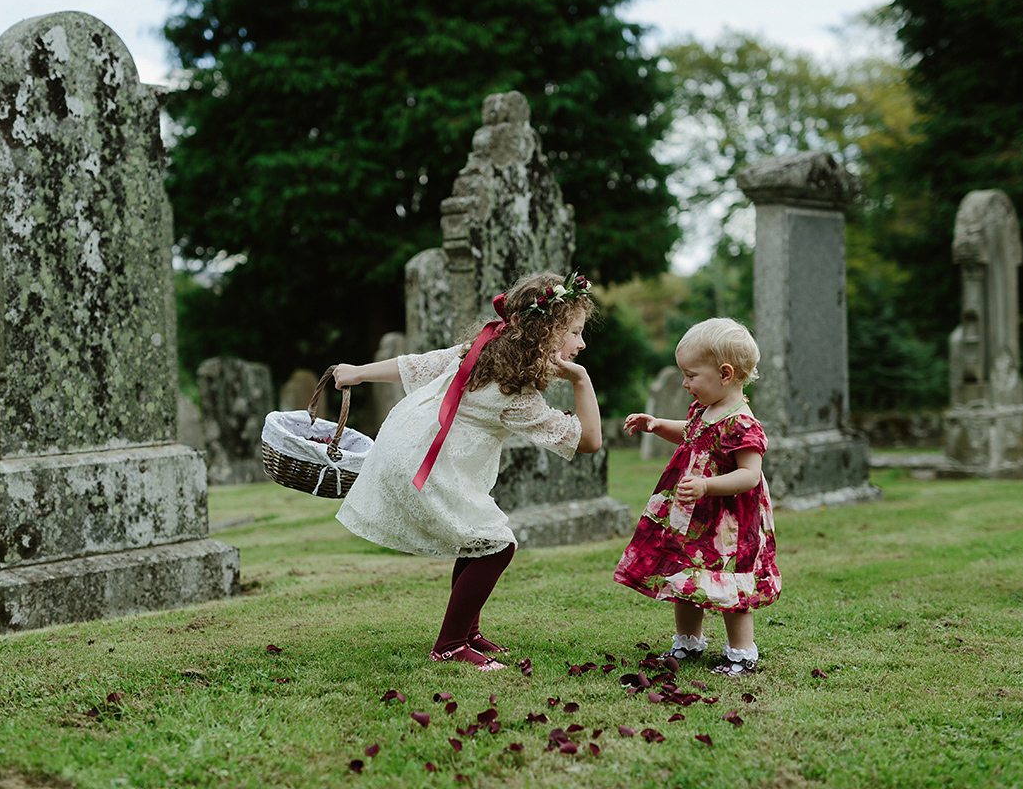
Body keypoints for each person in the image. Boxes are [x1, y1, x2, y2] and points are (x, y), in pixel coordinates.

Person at [332, 271, 602, 672]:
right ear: (545, 330)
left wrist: (358, 371)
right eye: (576, 332)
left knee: (477, 539)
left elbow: (418, 365)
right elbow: (589, 440)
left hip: (409, 449)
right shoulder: (516, 395)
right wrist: (582, 380)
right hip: (430, 465)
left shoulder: (483, 348)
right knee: (498, 543)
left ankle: (467, 632)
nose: (581, 343)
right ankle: (451, 643)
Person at [614, 317, 780, 676]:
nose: (686, 384)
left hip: (727, 525)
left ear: (724, 373)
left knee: (729, 584)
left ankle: (741, 653)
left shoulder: (742, 423)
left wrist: (707, 486)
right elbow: (692, 436)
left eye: (691, 376)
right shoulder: (704, 409)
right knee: (685, 576)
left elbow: (749, 476)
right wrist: (658, 425)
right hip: (693, 518)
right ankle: (688, 641)